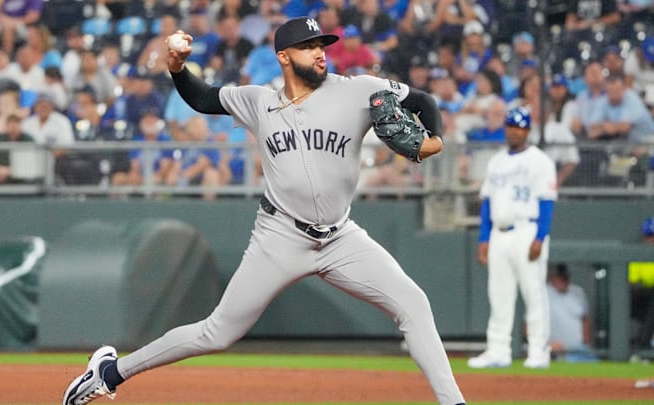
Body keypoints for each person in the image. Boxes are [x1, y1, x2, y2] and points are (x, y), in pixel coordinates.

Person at [62, 16, 466, 405]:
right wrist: (177, 67)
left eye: (321, 46)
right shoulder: (258, 101)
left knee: (413, 304)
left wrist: (436, 142)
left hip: (341, 237)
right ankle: (110, 373)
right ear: (284, 56)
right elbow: (203, 97)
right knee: (217, 333)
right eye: (308, 47)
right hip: (280, 236)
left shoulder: (359, 89)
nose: (320, 53)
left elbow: (424, 101)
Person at [467, 106, 557, 370]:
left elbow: (547, 202)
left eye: (519, 126)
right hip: (499, 232)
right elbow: (486, 203)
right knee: (499, 295)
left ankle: (539, 351)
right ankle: (498, 350)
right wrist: (483, 239)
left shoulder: (540, 160)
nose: (514, 131)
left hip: (527, 229)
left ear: (527, 130)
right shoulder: (497, 161)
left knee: (534, 293)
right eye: (510, 126)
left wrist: (541, 236)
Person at [546, 263, 598, 362]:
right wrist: (547, 345)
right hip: (556, 352)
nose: (564, 280)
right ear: (552, 277)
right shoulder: (543, 293)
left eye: (566, 276)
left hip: (580, 350)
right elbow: (528, 326)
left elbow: (585, 319)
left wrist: (586, 343)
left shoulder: (577, 291)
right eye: (560, 277)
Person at [629, 216, 654, 350]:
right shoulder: (637, 254)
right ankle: (645, 343)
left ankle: (644, 343)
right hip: (641, 298)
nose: (652, 239)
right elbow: (633, 281)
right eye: (649, 235)